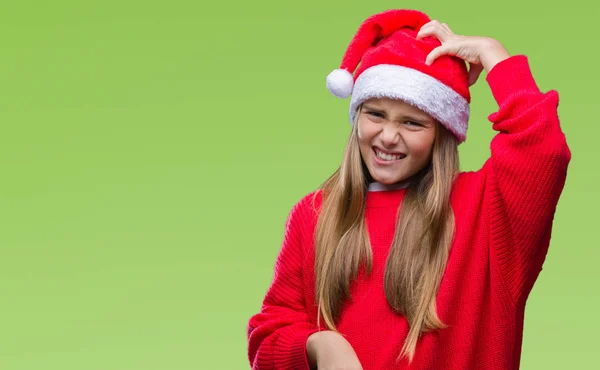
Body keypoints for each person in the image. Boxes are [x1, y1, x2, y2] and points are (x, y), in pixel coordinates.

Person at [246, 8, 571, 370]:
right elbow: (269, 339)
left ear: (441, 133)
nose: (387, 136)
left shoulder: (486, 210)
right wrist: (319, 345)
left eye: (412, 122)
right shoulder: (314, 214)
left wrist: (493, 54)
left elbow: (544, 150)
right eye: (375, 114)